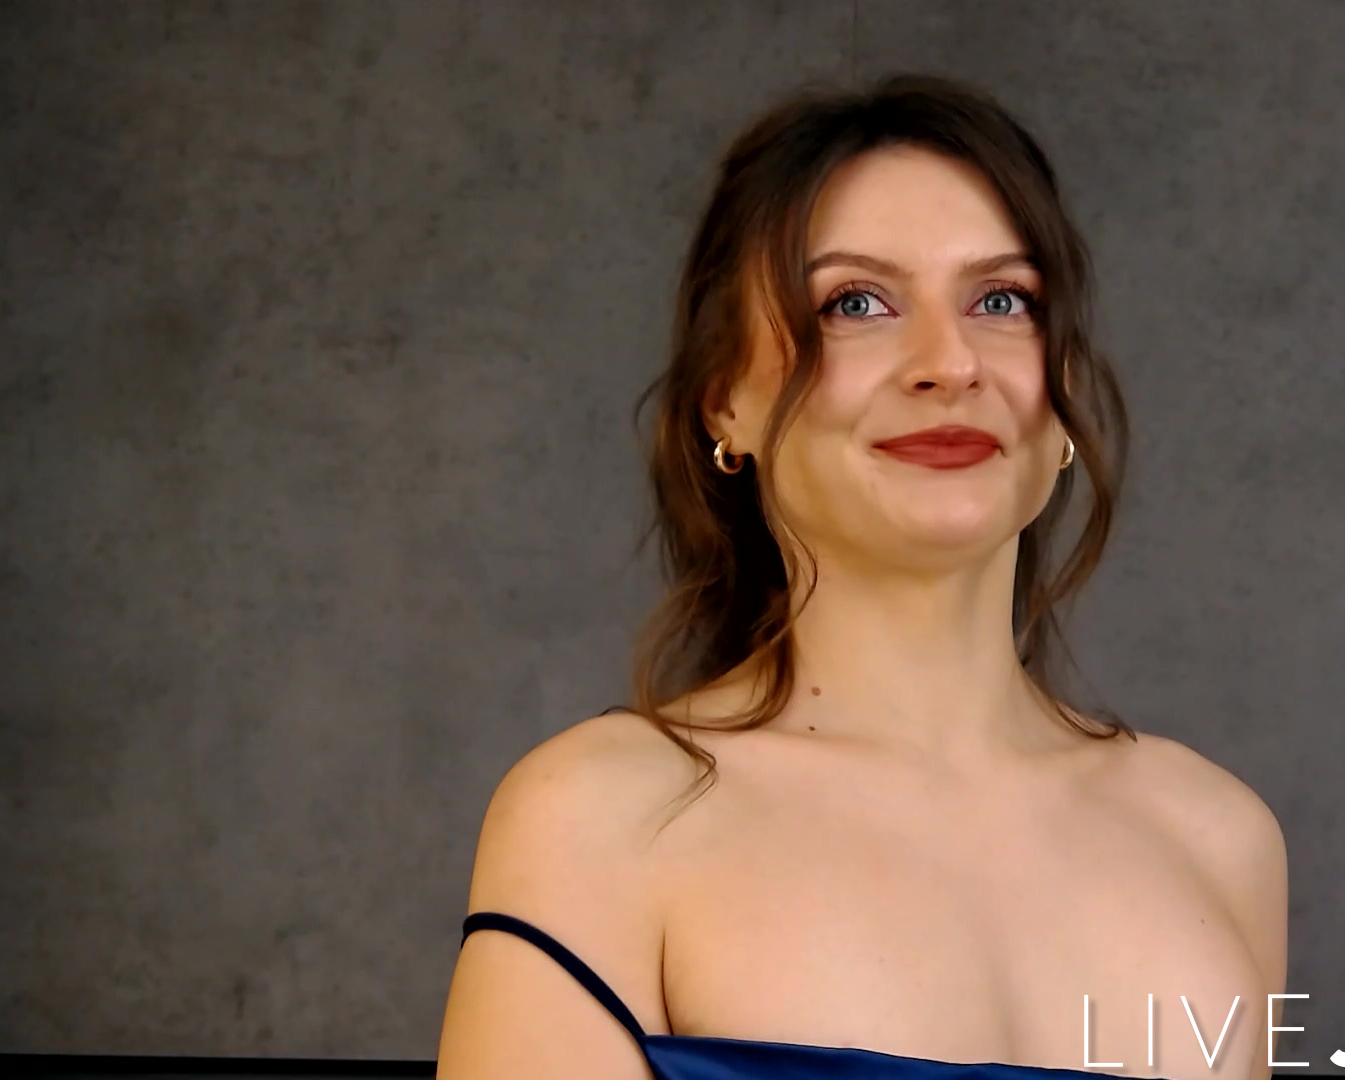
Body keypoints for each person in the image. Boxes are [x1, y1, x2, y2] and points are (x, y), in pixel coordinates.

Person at [436, 73, 1287, 1080]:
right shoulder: (599, 815)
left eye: (1002, 300)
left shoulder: (1220, 838)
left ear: (1061, 398)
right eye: (856, 303)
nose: (949, 363)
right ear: (726, 402)